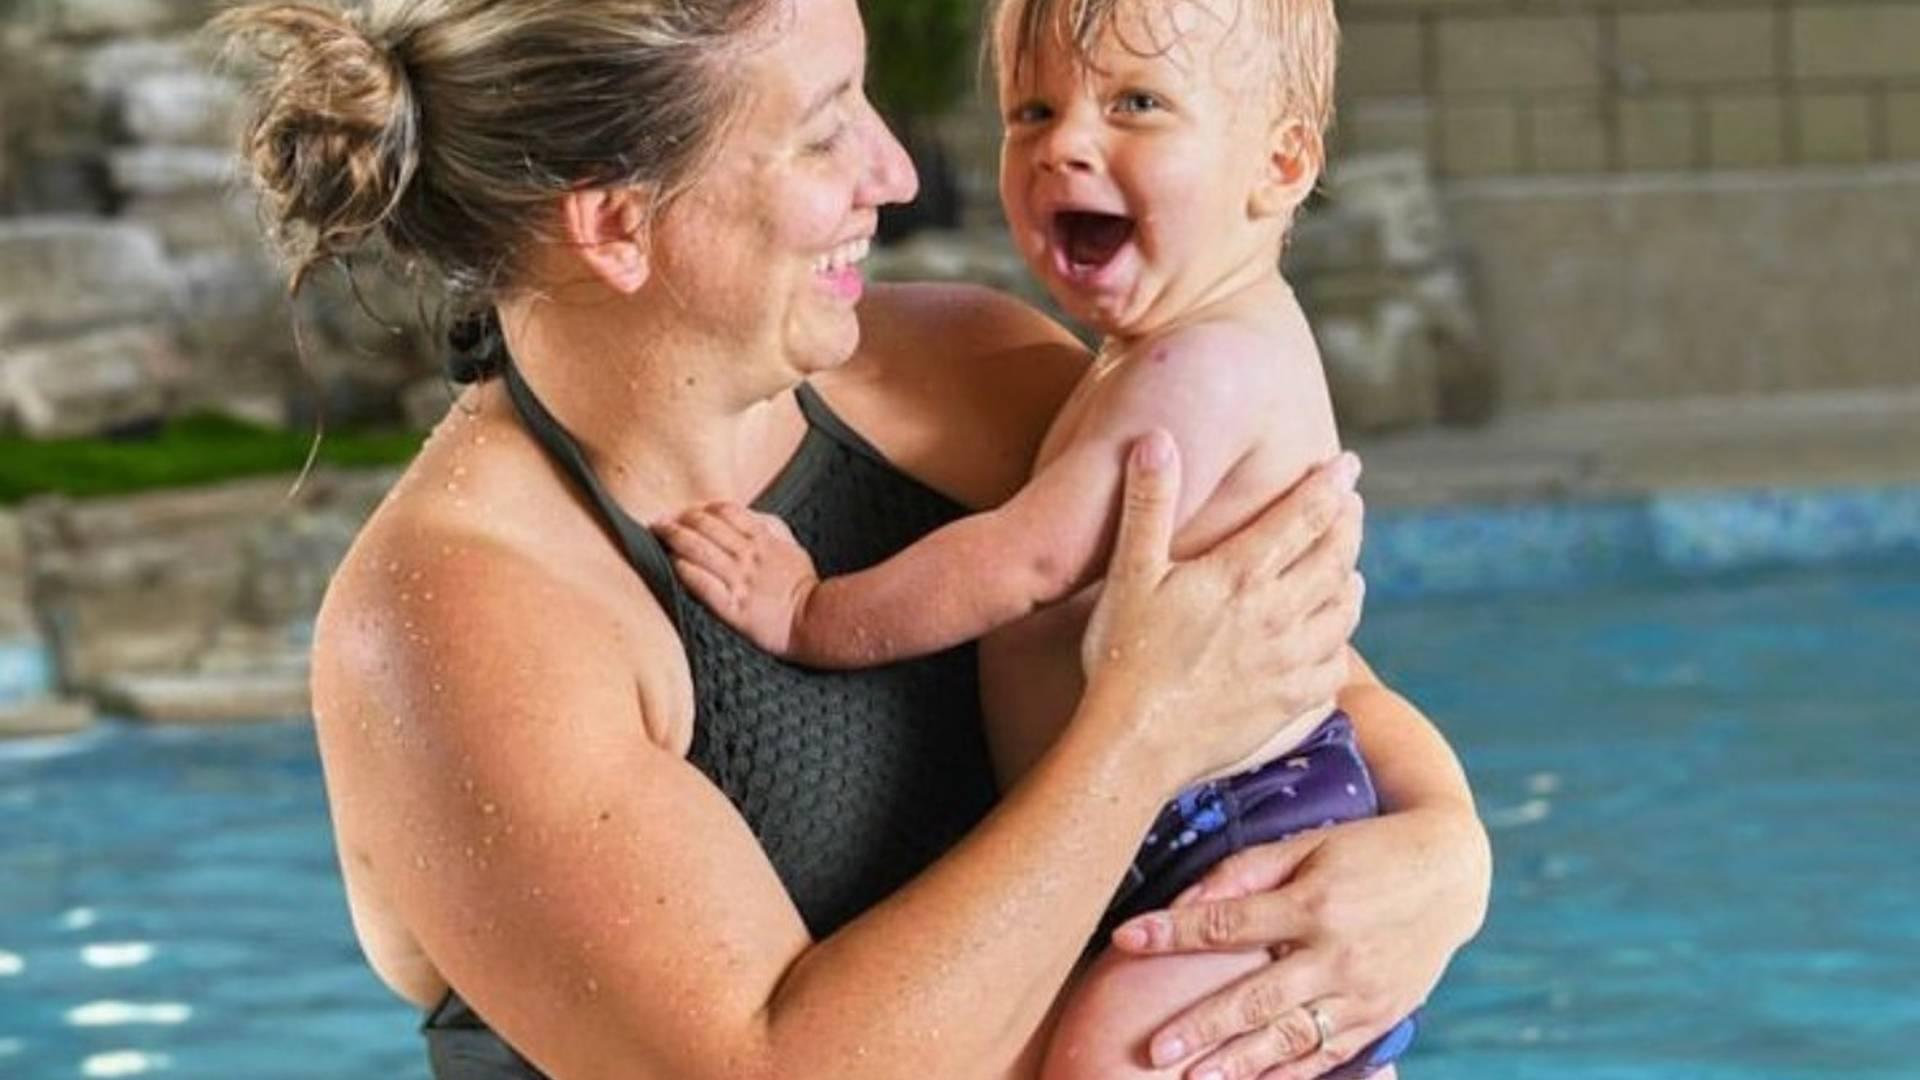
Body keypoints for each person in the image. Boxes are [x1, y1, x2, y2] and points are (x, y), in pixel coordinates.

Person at [215, 2, 1491, 1079]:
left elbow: (1292, 673)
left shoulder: (977, 373)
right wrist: (1135, 735)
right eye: (826, 132)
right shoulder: (463, 615)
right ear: (615, 225)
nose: (893, 171)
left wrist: (1442, 854)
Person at [660, 0, 1415, 1074]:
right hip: (1182, 818)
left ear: (1282, 163)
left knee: (1124, 1055)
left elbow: (1024, 561)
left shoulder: (1198, 371)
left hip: (1230, 822)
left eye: (1138, 105)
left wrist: (810, 612)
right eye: (1033, 108)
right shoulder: (1156, 347)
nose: (1065, 142)